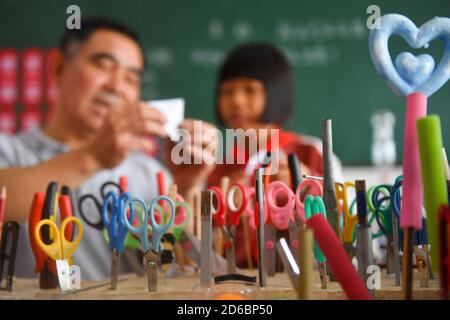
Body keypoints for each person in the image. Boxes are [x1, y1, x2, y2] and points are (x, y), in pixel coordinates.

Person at [0, 17, 217, 280]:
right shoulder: (9, 151)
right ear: (58, 67)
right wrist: (92, 156)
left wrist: (185, 188)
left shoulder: (149, 173)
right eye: (102, 65)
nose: (116, 86)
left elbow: (186, 270)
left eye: (131, 77)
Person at [208, 42, 343, 267]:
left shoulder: (311, 153)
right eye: (227, 91)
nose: (236, 101)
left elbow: (345, 227)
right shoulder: (215, 164)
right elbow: (205, 244)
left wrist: (307, 189)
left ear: (276, 94)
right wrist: (220, 204)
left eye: (250, 90)